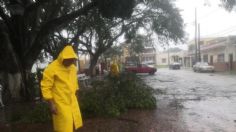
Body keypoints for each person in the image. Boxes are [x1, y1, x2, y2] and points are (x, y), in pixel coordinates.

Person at [41, 45, 82, 132]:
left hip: (72, 101)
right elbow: (46, 87)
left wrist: (76, 95)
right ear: (63, 58)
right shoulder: (52, 68)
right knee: (63, 126)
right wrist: (51, 104)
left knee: (74, 122)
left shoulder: (73, 68)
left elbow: (75, 83)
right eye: (69, 60)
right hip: (60, 103)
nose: (71, 62)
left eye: (72, 60)